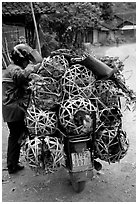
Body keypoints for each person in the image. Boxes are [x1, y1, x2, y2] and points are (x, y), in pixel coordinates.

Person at [2, 44, 42, 174]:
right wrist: (33, 68)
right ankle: (13, 165)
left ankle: (13, 163)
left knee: (18, 135)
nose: (27, 62)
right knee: (17, 136)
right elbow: (21, 77)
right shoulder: (13, 69)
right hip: (14, 110)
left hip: (13, 109)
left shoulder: (12, 68)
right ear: (20, 59)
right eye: (26, 60)